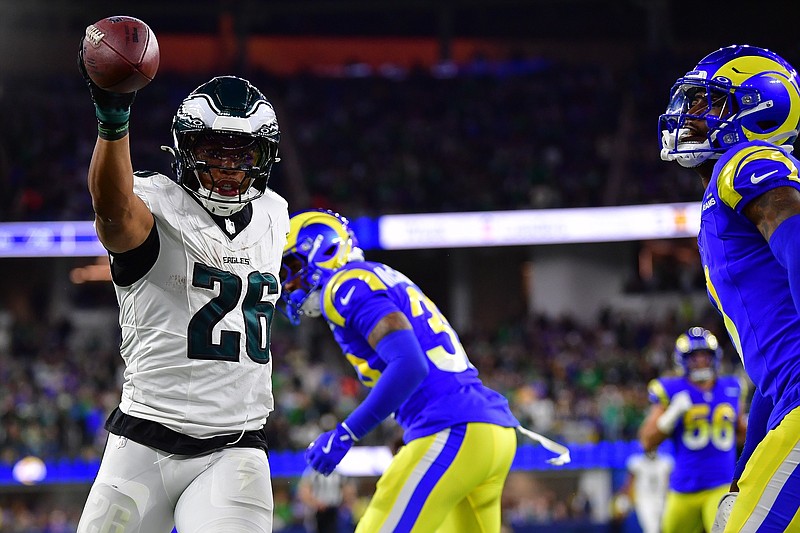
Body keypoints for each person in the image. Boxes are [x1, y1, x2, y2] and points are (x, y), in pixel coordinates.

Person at [75, 41, 288, 532]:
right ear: (185, 150)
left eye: (244, 153)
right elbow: (112, 208)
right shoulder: (154, 203)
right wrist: (113, 120)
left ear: (265, 155)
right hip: (142, 443)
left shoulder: (276, 213)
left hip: (234, 449)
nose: (230, 167)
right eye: (214, 151)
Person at [278, 209, 569, 533]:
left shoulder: (344, 286)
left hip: (451, 427)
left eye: (292, 268)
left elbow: (410, 365)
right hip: (488, 431)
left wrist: (347, 433)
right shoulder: (378, 276)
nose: (288, 284)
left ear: (322, 250)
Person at [658, 44, 800, 532]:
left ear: (764, 108)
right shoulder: (730, 186)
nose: (691, 115)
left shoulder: (746, 162)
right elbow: (770, 380)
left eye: (708, 103)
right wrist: (745, 469)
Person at [639, 327, 747, 532]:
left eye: (705, 355)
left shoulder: (732, 386)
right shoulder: (670, 389)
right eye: (694, 356)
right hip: (683, 487)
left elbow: (742, 434)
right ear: (682, 359)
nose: (700, 361)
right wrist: (671, 415)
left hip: (721, 483)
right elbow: (646, 440)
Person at [617, 451, 674, 533]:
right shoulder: (636, 462)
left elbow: (670, 484)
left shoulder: (666, 462)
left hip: (663, 499)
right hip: (644, 500)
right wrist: (624, 505)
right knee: (652, 529)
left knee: (665, 528)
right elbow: (629, 485)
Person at [297, 465, 354, 533]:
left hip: (335, 510)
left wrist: (344, 503)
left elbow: (348, 489)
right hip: (317, 511)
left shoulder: (338, 471)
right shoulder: (312, 471)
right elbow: (304, 491)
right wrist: (315, 503)